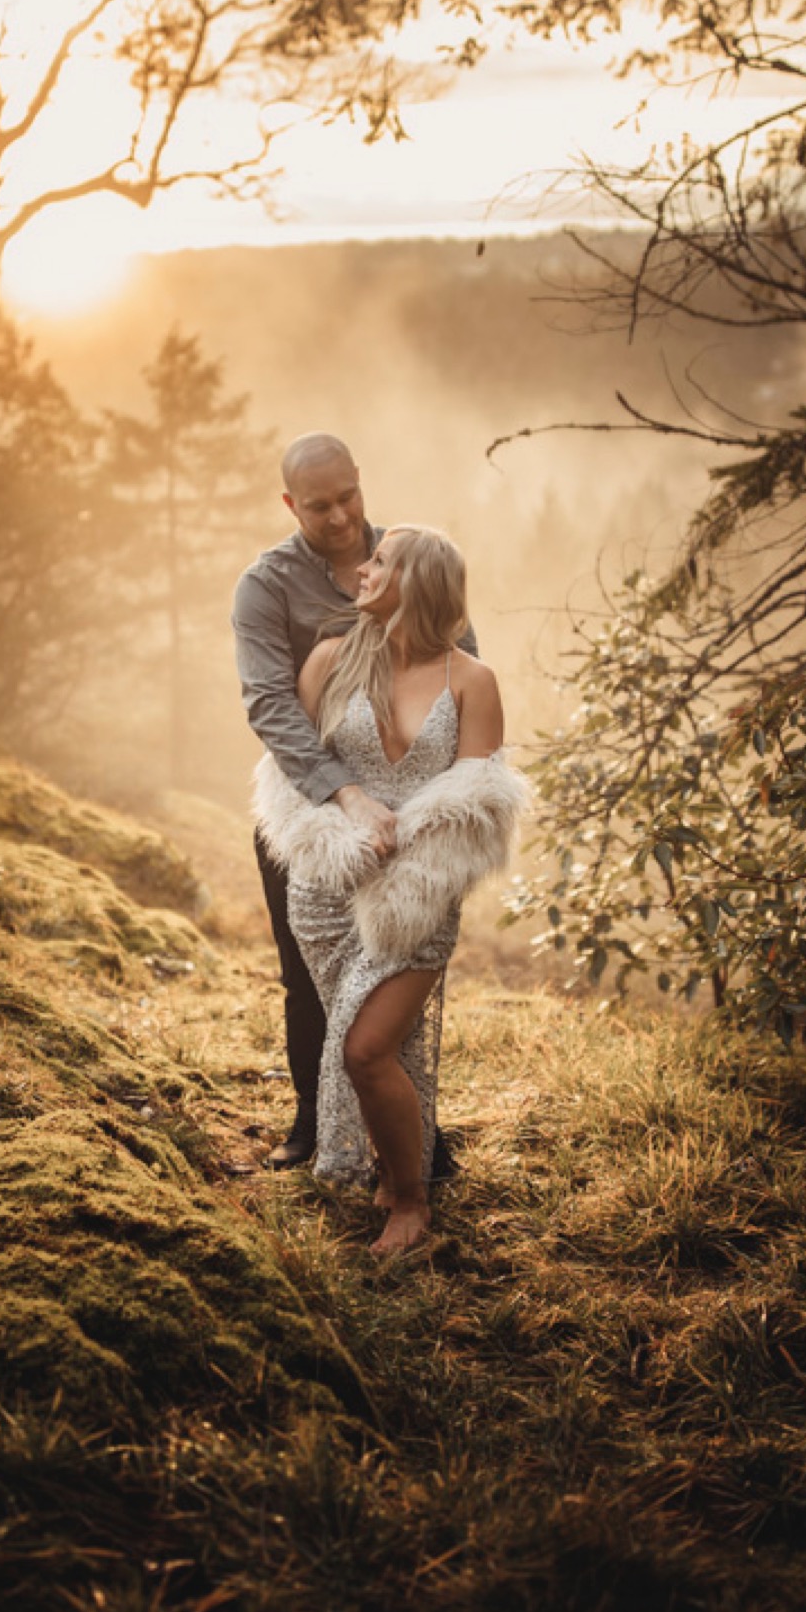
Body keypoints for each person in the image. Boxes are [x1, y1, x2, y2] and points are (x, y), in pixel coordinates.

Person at [253, 526, 526, 1254]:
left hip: (415, 899)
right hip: (329, 888)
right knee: (384, 1050)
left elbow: (477, 806)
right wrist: (345, 835)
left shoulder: (471, 680)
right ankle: (393, 1167)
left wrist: (405, 852)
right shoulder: (329, 661)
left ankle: (411, 1205)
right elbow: (291, 770)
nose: (363, 569)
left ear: (418, 580)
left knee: (367, 1047)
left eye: (380, 561)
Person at [232, 434, 475, 1170]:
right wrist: (345, 797)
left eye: (347, 497)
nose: (339, 517)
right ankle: (314, 1125)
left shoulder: (409, 557)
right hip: (313, 815)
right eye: (318, 506)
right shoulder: (267, 585)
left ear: (360, 483)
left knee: (400, 985)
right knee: (311, 982)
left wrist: (436, 820)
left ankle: (413, 1139)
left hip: (410, 823)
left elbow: (457, 670)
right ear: (289, 505)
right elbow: (273, 706)